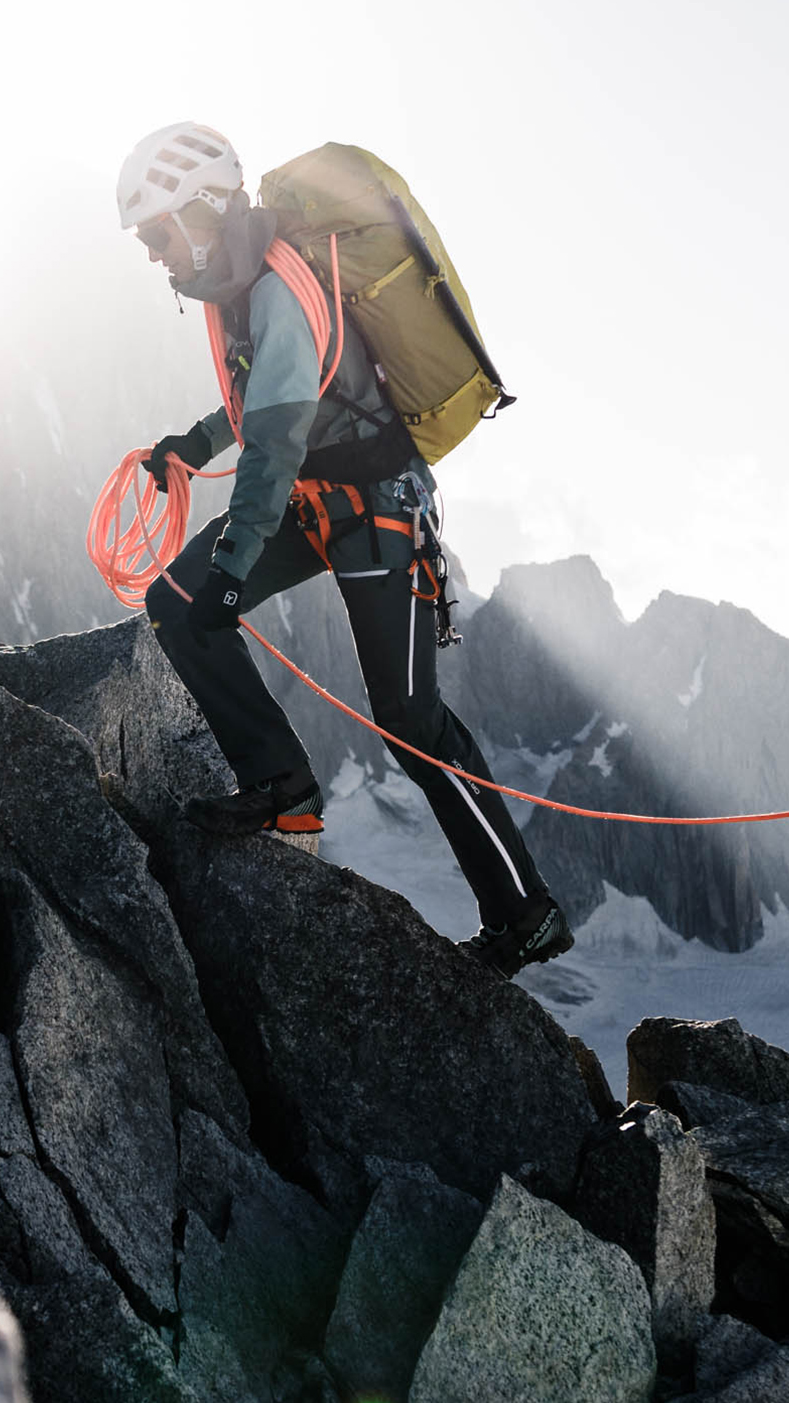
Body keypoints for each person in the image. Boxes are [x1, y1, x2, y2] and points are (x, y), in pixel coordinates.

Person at [115, 122, 569, 973]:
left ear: (203, 208)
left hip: (373, 505)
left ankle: (527, 913)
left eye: (155, 232)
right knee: (177, 605)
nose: (151, 254)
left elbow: (282, 430)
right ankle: (283, 790)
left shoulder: (279, 284)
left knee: (410, 722)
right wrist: (197, 442)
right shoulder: (242, 282)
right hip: (317, 499)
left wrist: (235, 563)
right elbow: (273, 400)